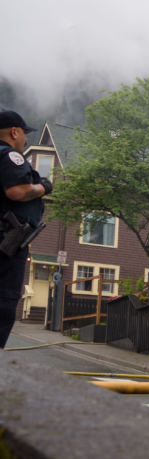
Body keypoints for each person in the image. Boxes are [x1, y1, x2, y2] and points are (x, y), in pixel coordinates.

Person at [1, 111, 51, 349]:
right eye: (24, 134)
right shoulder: (10, 155)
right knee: (4, 301)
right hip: (5, 244)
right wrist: (43, 187)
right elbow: (17, 192)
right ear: (14, 132)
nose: (25, 140)